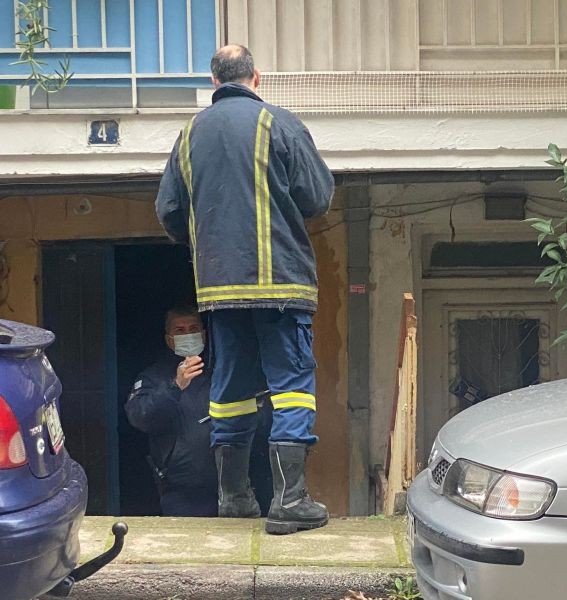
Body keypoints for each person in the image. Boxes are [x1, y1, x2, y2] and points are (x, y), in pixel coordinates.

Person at [155, 45, 334, 534]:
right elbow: (317, 197)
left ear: (214, 81)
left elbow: (169, 211)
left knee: (230, 389)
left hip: (219, 288)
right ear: (258, 77)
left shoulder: (189, 134)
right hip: (280, 284)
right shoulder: (279, 123)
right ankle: (289, 500)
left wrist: (209, 241)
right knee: (292, 386)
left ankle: (233, 497)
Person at [125, 306, 218, 517]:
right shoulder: (153, 376)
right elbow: (140, 417)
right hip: (183, 492)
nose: (188, 334)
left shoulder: (222, 371)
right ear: (169, 340)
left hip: (232, 487)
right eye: (180, 330)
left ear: (203, 335)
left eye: (193, 329)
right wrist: (176, 385)